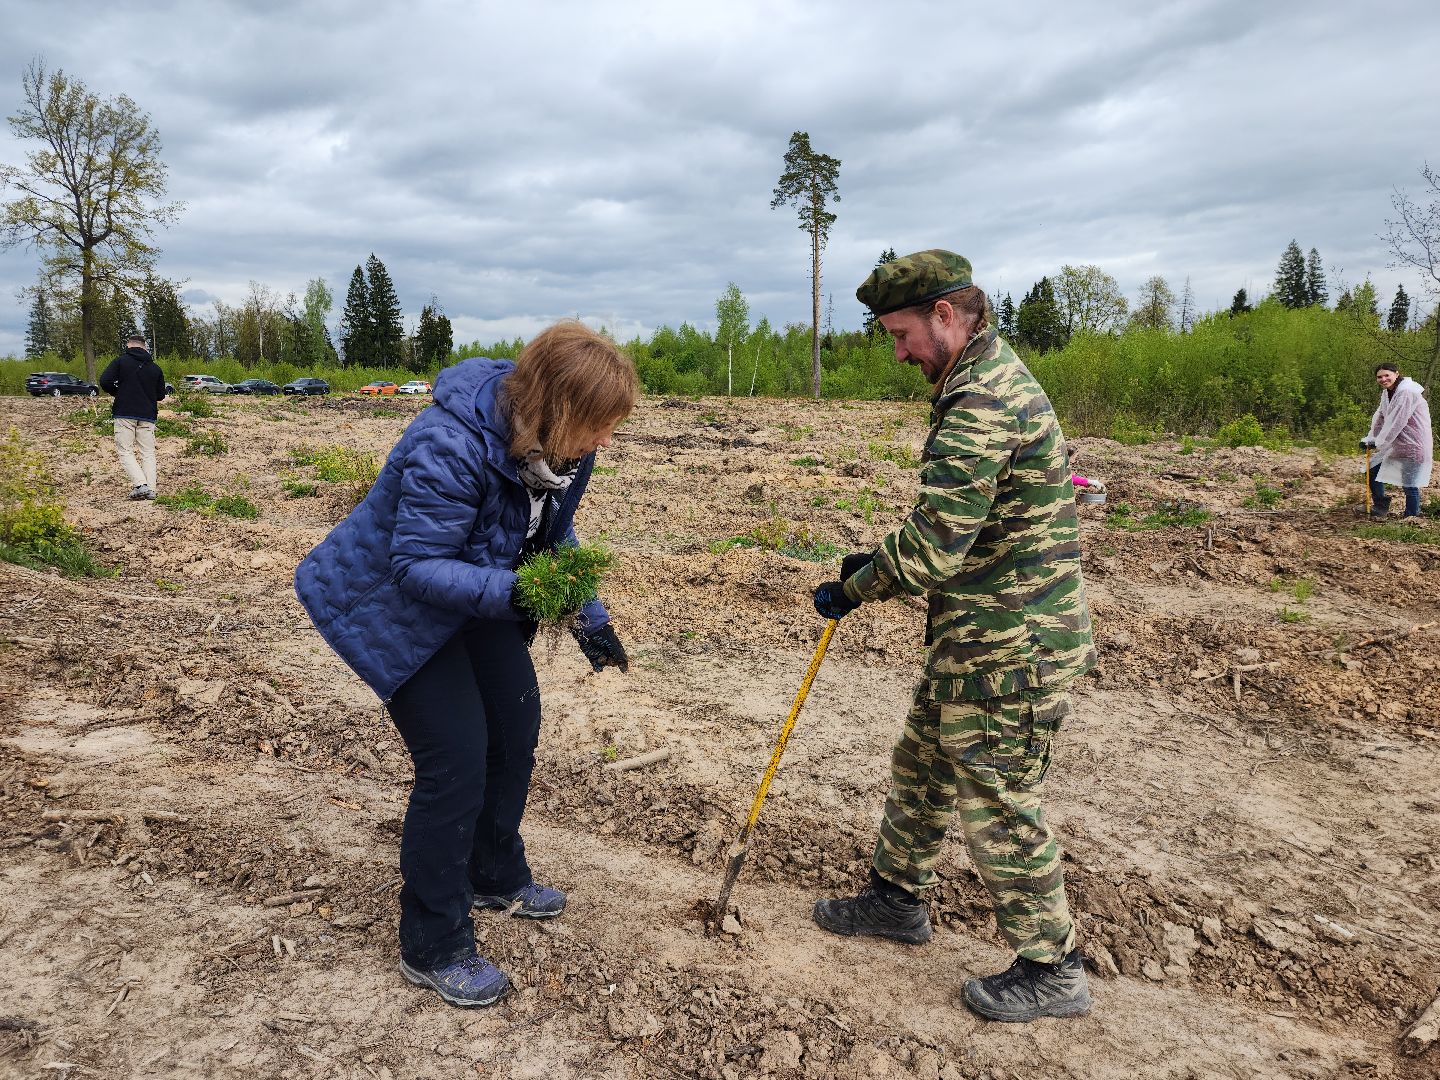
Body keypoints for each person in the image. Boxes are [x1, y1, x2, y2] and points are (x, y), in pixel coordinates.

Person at [295, 322, 637, 1007]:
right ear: (559, 409)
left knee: (514, 730)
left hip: (474, 597)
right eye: (597, 425)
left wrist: (590, 617)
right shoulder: (449, 443)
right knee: (455, 756)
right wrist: (519, 593)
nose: (605, 442)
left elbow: (552, 533)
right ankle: (433, 942)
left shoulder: (567, 453)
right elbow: (415, 566)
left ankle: (493, 871)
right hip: (393, 606)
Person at [809, 250, 1097, 1023]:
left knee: (998, 796)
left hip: (1013, 644)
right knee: (923, 764)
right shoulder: (978, 379)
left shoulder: (983, 402)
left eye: (901, 334)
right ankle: (897, 899)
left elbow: (936, 544)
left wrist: (857, 584)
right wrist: (880, 563)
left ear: (946, 314)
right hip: (978, 631)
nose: (898, 352)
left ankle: (1053, 965)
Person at [98, 332, 166, 500]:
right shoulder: (155, 368)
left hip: (125, 412)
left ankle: (140, 485)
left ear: (129, 346)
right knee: (148, 452)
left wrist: (118, 393)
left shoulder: (121, 361)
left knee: (125, 450)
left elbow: (105, 381)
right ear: (145, 348)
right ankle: (151, 489)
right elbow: (161, 395)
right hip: (148, 414)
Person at [1360, 362, 1432, 519]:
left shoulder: (1406, 392)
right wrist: (1371, 438)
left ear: (1397, 374)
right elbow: (1380, 417)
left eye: (1387, 375)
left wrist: (1378, 442)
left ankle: (1411, 518)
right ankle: (1381, 507)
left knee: (1409, 484)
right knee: (1371, 470)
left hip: (1414, 444)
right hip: (1397, 444)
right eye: (1379, 377)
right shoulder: (1388, 393)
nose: (1383, 379)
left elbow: (1397, 421)